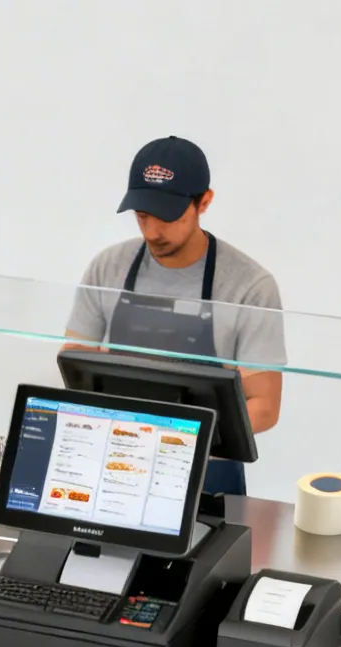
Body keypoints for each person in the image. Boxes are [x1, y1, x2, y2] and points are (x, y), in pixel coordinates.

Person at [65, 136, 286, 496]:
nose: (153, 232)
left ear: (204, 202)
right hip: (118, 462)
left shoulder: (250, 286)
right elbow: (76, 364)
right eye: (143, 216)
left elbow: (265, 406)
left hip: (207, 474)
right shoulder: (107, 268)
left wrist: (177, 442)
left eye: (168, 216)